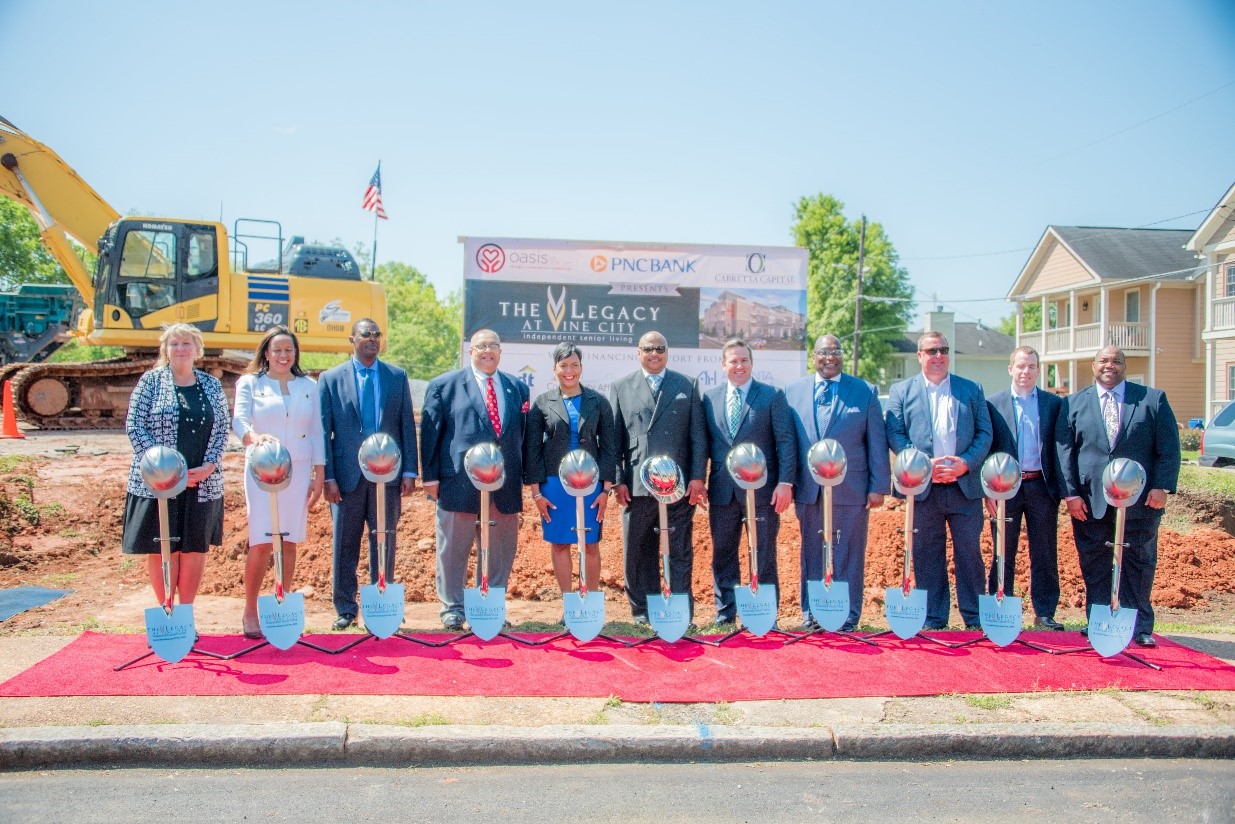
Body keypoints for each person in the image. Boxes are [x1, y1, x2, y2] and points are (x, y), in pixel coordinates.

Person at [1058, 345, 1180, 647]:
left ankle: (1139, 626)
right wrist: (1071, 494)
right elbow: (1065, 453)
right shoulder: (1073, 403)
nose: (1109, 365)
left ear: (1124, 366)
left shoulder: (1152, 400)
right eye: (1103, 360)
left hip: (1141, 500)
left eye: (1116, 361)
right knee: (1095, 561)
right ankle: (1099, 621)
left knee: (1139, 561)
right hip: (1090, 502)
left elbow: (1169, 447)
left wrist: (1161, 487)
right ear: (1093, 365)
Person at [420, 329, 528, 630]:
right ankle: (453, 608)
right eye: (481, 346)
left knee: (501, 549)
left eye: (494, 345)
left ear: (501, 351)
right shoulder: (445, 386)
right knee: (453, 547)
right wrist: (429, 477)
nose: (487, 351)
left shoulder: (517, 388)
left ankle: (490, 605)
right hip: (457, 482)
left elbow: (521, 437)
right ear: (471, 351)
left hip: (503, 484)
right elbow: (431, 434)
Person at [885, 331, 993, 630]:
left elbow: (985, 433)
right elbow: (895, 434)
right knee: (926, 553)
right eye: (931, 351)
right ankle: (934, 618)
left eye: (943, 349)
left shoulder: (971, 389)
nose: (938, 356)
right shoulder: (901, 391)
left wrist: (966, 464)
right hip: (923, 489)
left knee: (969, 552)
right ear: (919, 355)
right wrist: (921, 465)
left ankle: (974, 617)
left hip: (964, 488)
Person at [319, 318, 418, 631]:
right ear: (352, 339)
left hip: (388, 476)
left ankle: (382, 605)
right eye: (366, 334)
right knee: (345, 545)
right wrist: (328, 477)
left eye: (377, 335)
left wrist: (410, 470)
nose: (372, 339)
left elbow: (405, 425)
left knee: (384, 540)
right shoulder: (330, 378)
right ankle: (346, 609)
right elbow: (324, 431)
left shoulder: (396, 377)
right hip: (347, 478)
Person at [122, 323, 229, 611]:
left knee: (194, 548)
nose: (180, 349)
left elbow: (221, 430)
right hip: (159, 482)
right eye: (175, 344)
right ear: (166, 350)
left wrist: (208, 466)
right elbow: (135, 425)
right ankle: (166, 611)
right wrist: (163, 468)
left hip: (202, 481)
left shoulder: (211, 385)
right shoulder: (151, 382)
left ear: (197, 349)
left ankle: (185, 614)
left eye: (186, 344)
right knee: (162, 547)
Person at [785, 334, 888, 631]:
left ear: (842, 355)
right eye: (823, 352)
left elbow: (876, 442)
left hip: (851, 488)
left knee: (849, 552)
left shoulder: (864, 391)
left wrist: (878, 485)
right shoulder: (793, 392)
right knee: (812, 552)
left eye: (835, 352)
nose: (829, 357)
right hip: (809, 489)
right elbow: (788, 443)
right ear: (813, 356)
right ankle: (813, 614)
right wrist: (787, 483)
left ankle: (847, 614)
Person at [232, 325, 325, 639]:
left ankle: (281, 606)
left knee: (288, 539)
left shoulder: (309, 386)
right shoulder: (250, 383)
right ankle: (250, 611)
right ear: (266, 353)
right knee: (261, 540)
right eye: (277, 350)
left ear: (295, 353)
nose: (283, 355)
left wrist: (319, 473)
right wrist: (252, 438)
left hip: (298, 470)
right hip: (262, 467)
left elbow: (316, 432)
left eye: (289, 350)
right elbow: (240, 419)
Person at [610, 331, 708, 623]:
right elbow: (614, 440)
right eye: (648, 349)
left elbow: (698, 437)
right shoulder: (621, 387)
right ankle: (643, 610)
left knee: (679, 548)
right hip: (637, 485)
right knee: (638, 548)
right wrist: (618, 479)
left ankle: (680, 608)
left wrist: (697, 478)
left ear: (667, 352)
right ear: (638, 352)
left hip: (677, 485)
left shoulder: (686, 385)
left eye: (660, 348)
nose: (655, 353)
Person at [701, 338, 797, 625]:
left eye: (744, 360)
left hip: (763, 491)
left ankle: (764, 614)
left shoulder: (771, 396)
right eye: (733, 361)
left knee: (763, 552)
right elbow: (703, 444)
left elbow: (785, 441)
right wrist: (697, 480)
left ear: (752, 363)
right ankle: (726, 613)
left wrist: (786, 483)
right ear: (723, 365)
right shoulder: (710, 398)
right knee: (723, 552)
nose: (739, 366)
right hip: (722, 491)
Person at [524, 343, 617, 609]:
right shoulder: (542, 403)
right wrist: (536, 493)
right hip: (554, 485)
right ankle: (569, 606)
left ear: (581, 368)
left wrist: (605, 489)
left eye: (574, 365)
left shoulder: (598, 402)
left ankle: (590, 606)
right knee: (561, 544)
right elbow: (532, 450)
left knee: (589, 544)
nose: (569, 371)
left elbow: (609, 447)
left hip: (591, 484)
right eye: (563, 365)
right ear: (554, 369)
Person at [984, 346, 1066, 630]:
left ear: (1038, 370)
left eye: (1031, 366)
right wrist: (988, 490)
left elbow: (1060, 449)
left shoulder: (1053, 405)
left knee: (1044, 552)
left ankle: (1044, 612)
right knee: (1002, 550)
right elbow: (987, 449)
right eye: (1020, 366)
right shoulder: (993, 405)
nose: (1025, 372)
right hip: (1005, 489)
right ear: (1010, 369)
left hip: (1041, 487)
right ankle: (999, 605)